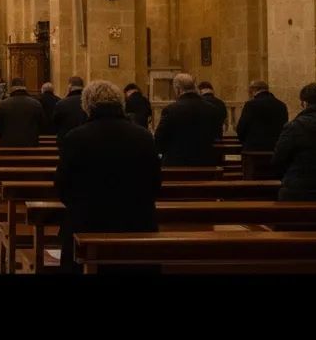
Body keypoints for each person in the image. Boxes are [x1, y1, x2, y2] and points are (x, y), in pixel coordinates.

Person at [55, 80, 161, 273]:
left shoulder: (75, 138)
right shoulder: (144, 137)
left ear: (87, 105)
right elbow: (155, 184)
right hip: (136, 225)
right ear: (121, 103)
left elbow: (62, 187)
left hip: (86, 224)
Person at [154, 72, 219, 166]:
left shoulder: (171, 110)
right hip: (205, 164)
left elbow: (159, 140)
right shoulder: (212, 109)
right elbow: (216, 135)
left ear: (178, 89)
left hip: (176, 165)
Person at [235, 79, 289, 152]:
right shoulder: (281, 105)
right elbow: (285, 126)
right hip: (276, 147)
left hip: (254, 148)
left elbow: (242, 127)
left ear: (254, 90)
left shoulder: (251, 105)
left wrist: (245, 142)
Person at [0, 77, 45, 147]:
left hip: (8, 145)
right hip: (31, 144)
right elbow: (42, 125)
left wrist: (6, 135)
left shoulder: (3, 104)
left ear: (12, 88)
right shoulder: (36, 104)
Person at [50, 75, 87, 142]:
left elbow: (55, 124)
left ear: (70, 87)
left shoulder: (61, 103)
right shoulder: (89, 102)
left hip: (66, 141)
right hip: (85, 142)